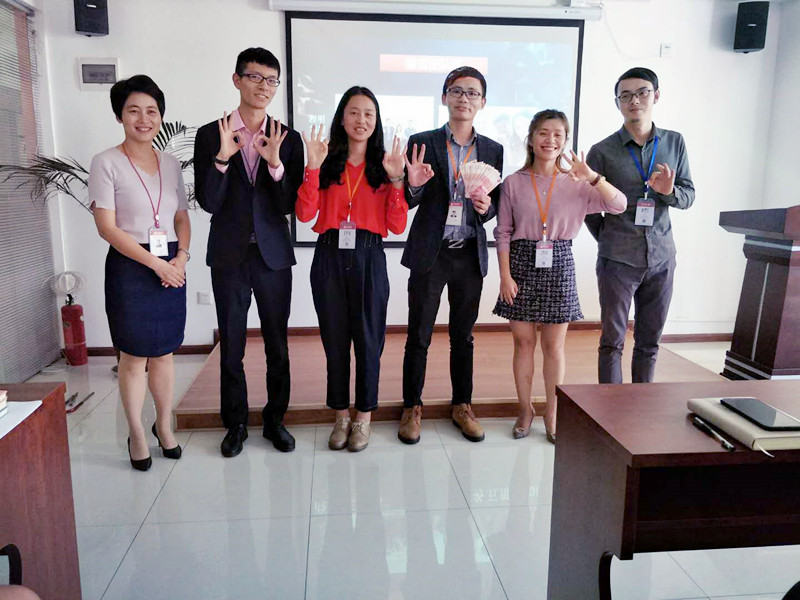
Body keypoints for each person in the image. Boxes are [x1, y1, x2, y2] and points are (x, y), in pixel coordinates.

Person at [194, 48, 304, 457]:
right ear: (237, 80)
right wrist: (223, 158)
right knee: (232, 346)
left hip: (273, 256)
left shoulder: (287, 137)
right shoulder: (212, 134)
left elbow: (288, 203)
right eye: (255, 77)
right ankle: (236, 423)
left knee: (278, 345)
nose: (264, 86)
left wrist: (275, 165)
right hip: (229, 255)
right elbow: (209, 201)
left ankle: (275, 420)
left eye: (271, 80)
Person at [493, 110, 626, 442]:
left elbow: (619, 205)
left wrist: (593, 177)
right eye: (542, 132)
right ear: (530, 138)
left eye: (557, 134)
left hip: (560, 261)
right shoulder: (513, 182)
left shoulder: (577, 183)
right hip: (520, 262)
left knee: (554, 346)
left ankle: (552, 412)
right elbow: (503, 232)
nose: (549, 140)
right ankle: (525, 409)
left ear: (565, 141)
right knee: (523, 343)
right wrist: (505, 276)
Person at [296, 86, 408, 452]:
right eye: (354, 112)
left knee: (369, 341)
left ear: (376, 122)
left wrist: (397, 180)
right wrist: (312, 168)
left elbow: (397, 225)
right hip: (329, 254)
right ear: (342, 118)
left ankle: (364, 417)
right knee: (335, 341)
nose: (361, 120)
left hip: (369, 256)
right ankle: (341, 415)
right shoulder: (326, 162)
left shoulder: (385, 167)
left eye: (369, 114)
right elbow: (304, 214)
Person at [398, 66, 503, 445]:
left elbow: (494, 206)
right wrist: (413, 187)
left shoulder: (493, 149)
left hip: (469, 255)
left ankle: (462, 405)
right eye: (457, 91)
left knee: (464, 337)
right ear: (444, 97)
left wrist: (486, 208)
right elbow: (410, 198)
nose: (464, 98)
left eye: (472, 93)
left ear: (483, 102)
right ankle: (412, 407)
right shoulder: (422, 141)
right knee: (418, 335)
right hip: (431, 252)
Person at [89, 75, 189, 471]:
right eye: (134, 111)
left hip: (171, 262)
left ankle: (163, 426)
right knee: (133, 356)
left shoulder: (171, 163)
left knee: (164, 353)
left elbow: (181, 217)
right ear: (120, 116)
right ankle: (136, 433)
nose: (144, 119)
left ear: (160, 116)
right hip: (130, 265)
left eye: (152, 111)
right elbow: (107, 228)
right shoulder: (106, 162)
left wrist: (181, 258)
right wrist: (156, 263)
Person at [585, 68, 695, 384]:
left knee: (649, 343)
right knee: (612, 342)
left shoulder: (674, 142)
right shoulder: (602, 151)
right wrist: (608, 237)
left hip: (662, 257)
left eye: (642, 92)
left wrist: (669, 193)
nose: (634, 100)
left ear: (655, 96)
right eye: (625, 95)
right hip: (617, 259)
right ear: (617, 102)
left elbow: (688, 195)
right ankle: (610, 408)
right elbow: (589, 207)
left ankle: (641, 405)